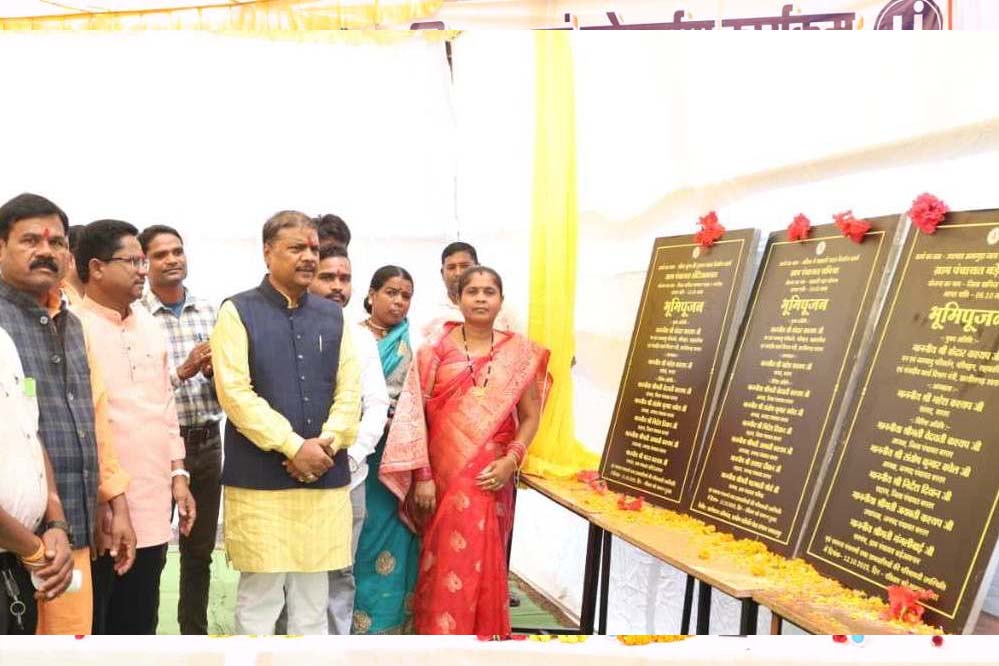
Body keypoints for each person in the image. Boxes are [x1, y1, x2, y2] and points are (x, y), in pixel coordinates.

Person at [211, 210, 361, 635]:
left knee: (313, 603)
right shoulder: (237, 311)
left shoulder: (332, 316)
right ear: (268, 252)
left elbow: (349, 390)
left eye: (313, 248)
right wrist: (294, 446)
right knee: (259, 601)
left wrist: (326, 444)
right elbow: (235, 393)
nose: (309, 256)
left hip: (323, 477)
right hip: (261, 479)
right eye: (296, 248)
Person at [381, 266, 548, 635]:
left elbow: (531, 416)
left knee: (485, 562)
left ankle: (482, 644)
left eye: (489, 292)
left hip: (492, 478)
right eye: (472, 291)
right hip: (443, 479)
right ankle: (439, 643)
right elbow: (414, 416)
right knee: (441, 563)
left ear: (501, 301)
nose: (481, 298)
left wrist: (511, 461)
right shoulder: (433, 351)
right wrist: (423, 476)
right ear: (458, 298)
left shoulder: (519, 353)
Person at [0, 193, 132, 635]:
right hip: (11, 545)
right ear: (1, 248)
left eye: (56, 242)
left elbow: (95, 419)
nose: (46, 251)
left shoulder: (72, 324)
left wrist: (114, 503)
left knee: (68, 651)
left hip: (70, 529)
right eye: (30, 240)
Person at [74, 219, 194, 635]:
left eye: (143, 261)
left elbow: (165, 405)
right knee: (96, 626)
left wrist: (179, 474)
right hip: (101, 509)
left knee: (141, 622)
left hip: (153, 500)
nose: (143, 271)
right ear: (96, 268)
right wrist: (106, 498)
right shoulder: (73, 328)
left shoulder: (148, 323)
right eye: (132, 262)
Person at [139, 224, 222, 635]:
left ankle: (194, 639)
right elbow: (138, 392)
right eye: (160, 255)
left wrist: (213, 375)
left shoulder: (210, 312)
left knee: (199, 552)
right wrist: (184, 371)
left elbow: (232, 388)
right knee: (151, 551)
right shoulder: (136, 316)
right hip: (156, 451)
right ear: (144, 263)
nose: (172, 260)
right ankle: (146, 640)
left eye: (177, 251)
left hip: (207, 443)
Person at [304, 246, 389, 634]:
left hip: (349, 476)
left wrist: (352, 456)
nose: (338, 286)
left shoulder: (361, 338)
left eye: (345, 278)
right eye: (327, 277)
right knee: (293, 573)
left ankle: (334, 651)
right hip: (294, 471)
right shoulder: (289, 330)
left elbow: (376, 404)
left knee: (341, 572)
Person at [351, 265, 418, 634]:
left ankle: (388, 627)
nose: (398, 301)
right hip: (360, 450)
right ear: (372, 294)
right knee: (360, 537)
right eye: (391, 292)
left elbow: (421, 402)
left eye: (405, 295)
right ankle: (351, 624)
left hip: (396, 460)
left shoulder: (413, 343)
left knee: (395, 539)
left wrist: (400, 424)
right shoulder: (351, 336)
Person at [0, 324, 73, 634]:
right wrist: (31, 547)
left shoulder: (5, 340)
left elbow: (29, 434)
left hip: (14, 566)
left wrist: (56, 522)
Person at [419, 242, 520, 343]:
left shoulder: (501, 307)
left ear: (478, 268)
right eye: (451, 267)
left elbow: (518, 345)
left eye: (464, 266)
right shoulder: (431, 313)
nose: (458, 273)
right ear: (442, 273)